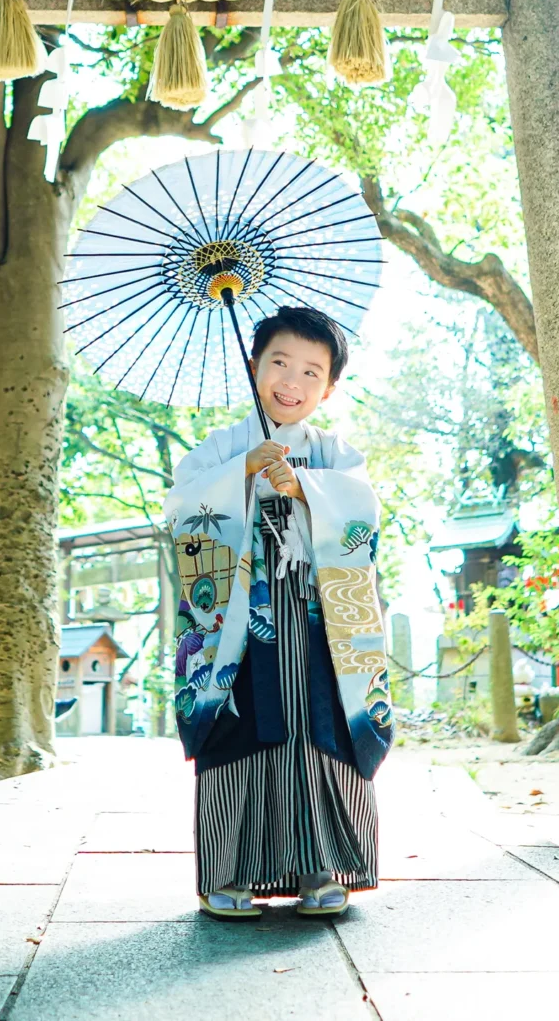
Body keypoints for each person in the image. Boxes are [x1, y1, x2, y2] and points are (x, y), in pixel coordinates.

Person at [165, 304, 393, 920]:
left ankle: (325, 865)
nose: (292, 382)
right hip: (239, 621)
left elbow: (363, 513)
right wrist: (242, 470)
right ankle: (228, 871)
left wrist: (308, 489)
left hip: (319, 618)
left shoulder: (335, 453)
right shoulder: (221, 446)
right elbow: (182, 507)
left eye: (312, 371)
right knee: (238, 726)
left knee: (322, 725)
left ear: (330, 386)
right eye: (280, 363)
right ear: (254, 365)